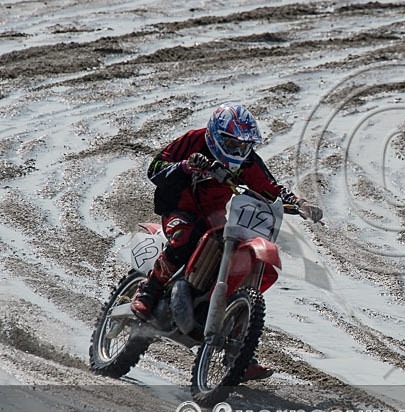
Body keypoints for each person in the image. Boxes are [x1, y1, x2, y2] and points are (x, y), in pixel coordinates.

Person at [130, 103, 322, 381]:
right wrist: (186, 166)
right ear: (215, 136)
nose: (238, 153)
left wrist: (300, 204)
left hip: (215, 216)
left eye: (244, 147)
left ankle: (237, 350)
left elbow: (272, 189)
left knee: (240, 263)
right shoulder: (193, 140)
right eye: (232, 145)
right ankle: (149, 289)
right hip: (180, 207)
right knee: (185, 238)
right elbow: (155, 168)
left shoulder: (248, 162)